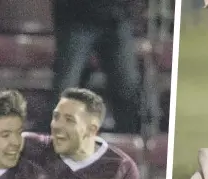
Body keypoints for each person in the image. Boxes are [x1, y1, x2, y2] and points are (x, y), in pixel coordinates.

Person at [50, 0, 141, 134]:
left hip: (115, 16)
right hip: (75, 17)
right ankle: (60, 142)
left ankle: (128, 145)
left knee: (127, 86)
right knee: (66, 89)